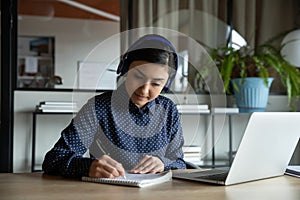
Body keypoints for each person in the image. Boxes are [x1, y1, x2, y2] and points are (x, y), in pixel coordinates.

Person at [42, 34, 187, 178]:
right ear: (124, 70)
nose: (144, 90)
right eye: (137, 76)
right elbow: (54, 160)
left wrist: (163, 163)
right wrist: (88, 166)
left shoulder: (169, 110)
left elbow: (179, 162)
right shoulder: (98, 108)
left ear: (167, 84)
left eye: (156, 83)